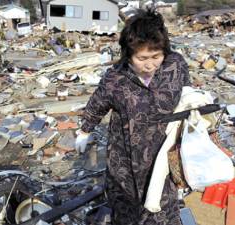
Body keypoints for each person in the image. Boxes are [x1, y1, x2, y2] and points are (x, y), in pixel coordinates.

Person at [75, 9, 191, 225]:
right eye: (142, 58)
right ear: (128, 54)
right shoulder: (116, 78)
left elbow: (187, 94)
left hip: (164, 156)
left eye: (156, 56)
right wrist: (84, 130)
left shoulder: (175, 65)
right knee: (128, 211)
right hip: (126, 160)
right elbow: (98, 102)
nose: (150, 65)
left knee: (163, 210)